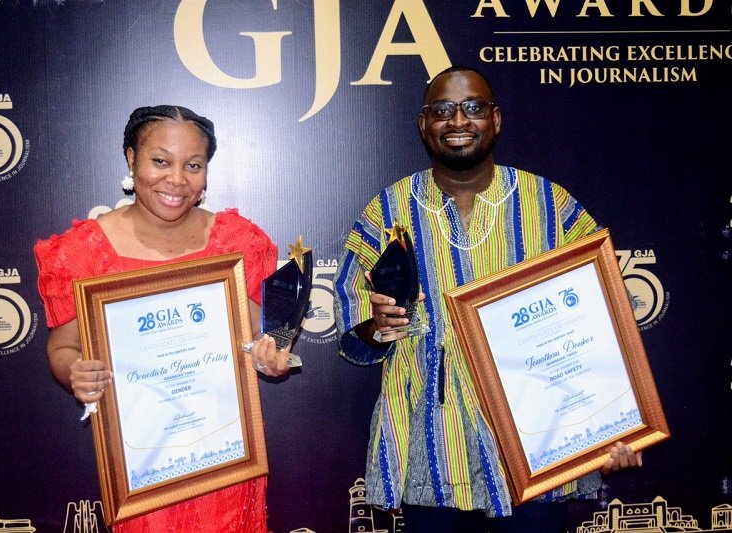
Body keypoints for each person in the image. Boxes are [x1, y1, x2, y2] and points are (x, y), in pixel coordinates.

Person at [333, 66, 642, 532]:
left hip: (536, 444)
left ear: (495, 119)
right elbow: (352, 332)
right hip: (431, 447)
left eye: (473, 107)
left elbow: (603, 318)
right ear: (424, 124)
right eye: (443, 110)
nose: (458, 121)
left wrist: (617, 426)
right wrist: (378, 326)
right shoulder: (388, 211)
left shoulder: (548, 205)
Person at [34, 105, 291, 532]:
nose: (176, 179)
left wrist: (269, 356)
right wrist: (75, 373)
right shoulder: (80, 253)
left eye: (193, 165)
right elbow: (63, 348)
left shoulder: (238, 243)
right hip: (143, 472)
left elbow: (265, 336)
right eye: (160, 161)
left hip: (224, 463)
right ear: (131, 158)